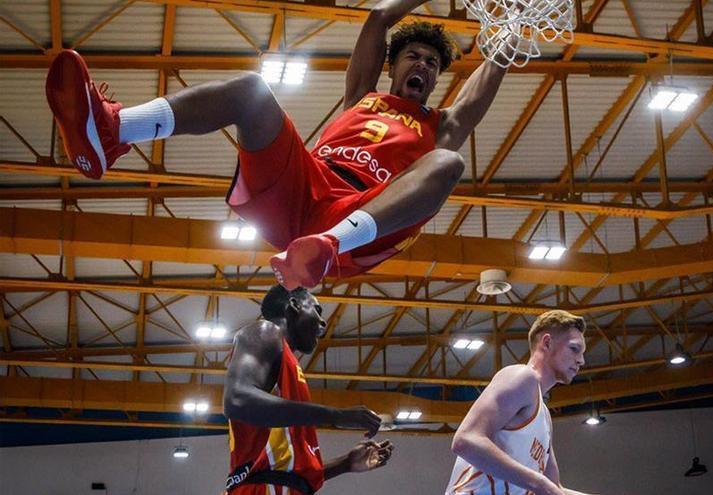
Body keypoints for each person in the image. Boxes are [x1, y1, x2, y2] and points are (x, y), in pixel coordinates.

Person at [45, 0, 509, 290]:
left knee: (448, 161)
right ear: (394, 65)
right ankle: (113, 132)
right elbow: (379, 16)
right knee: (251, 90)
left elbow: (483, 86)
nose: (424, 65)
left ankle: (324, 246)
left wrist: (510, 31)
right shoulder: (362, 95)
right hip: (305, 183)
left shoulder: (440, 124)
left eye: (432, 63)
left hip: (360, 217)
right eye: (414, 55)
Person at [223, 285, 393, 494]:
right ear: (294, 305)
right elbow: (237, 399)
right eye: (317, 311)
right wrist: (336, 416)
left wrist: (345, 464)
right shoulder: (264, 331)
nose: (323, 323)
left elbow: (289, 472)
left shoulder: (289, 368)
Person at [445, 310, 591, 495]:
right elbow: (465, 440)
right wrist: (539, 483)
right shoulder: (522, 376)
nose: (581, 360)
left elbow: (555, 488)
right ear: (547, 342)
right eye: (574, 349)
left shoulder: (544, 417)